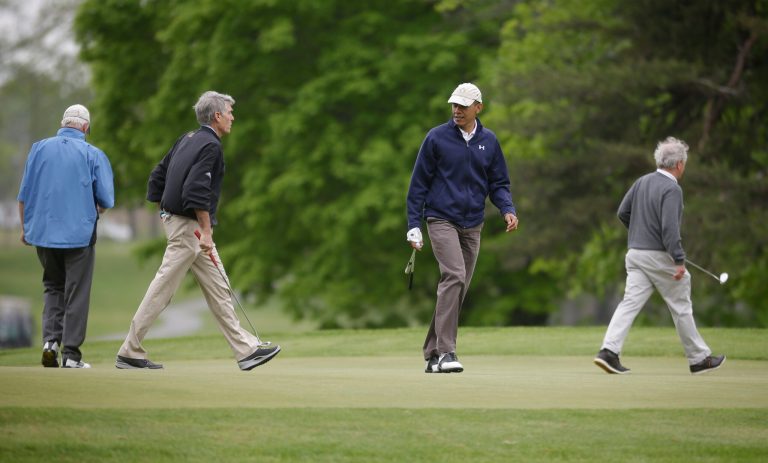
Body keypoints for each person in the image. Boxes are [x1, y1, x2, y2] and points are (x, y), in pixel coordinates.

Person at [115, 91, 280, 370]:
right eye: (229, 112)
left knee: (219, 286)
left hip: (184, 225)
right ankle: (130, 350)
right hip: (190, 229)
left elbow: (157, 177)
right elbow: (196, 189)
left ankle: (246, 350)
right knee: (163, 290)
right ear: (217, 116)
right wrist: (204, 229)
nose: (232, 117)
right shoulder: (210, 146)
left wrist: (165, 211)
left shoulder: (187, 139)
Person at [406, 83, 518, 374]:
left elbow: (499, 183)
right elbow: (418, 185)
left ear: (478, 108)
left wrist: (507, 209)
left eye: (463, 106)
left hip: (473, 224)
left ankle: (431, 354)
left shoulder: (489, 141)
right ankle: (446, 352)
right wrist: (413, 225)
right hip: (441, 219)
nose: (457, 110)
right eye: (454, 105)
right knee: (454, 276)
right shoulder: (436, 138)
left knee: (458, 288)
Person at [594, 137, 725, 375]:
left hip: (635, 254)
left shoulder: (641, 181)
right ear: (679, 165)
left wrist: (639, 233)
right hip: (659, 256)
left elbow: (623, 212)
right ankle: (698, 359)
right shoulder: (672, 188)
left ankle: (608, 352)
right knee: (681, 304)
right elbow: (669, 228)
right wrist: (679, 260)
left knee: (629, 303)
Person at [18, 104, 115, 368]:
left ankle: (50, 341)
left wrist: (25, 228)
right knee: (76, 292)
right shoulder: (92, 153)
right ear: (85, 127)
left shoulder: (38, 149)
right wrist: (97, 211)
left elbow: (24, 194)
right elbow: (106, 199)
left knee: (52, 286)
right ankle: (71, 355)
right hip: (79, 236)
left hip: (43, 233)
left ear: (63, 123)